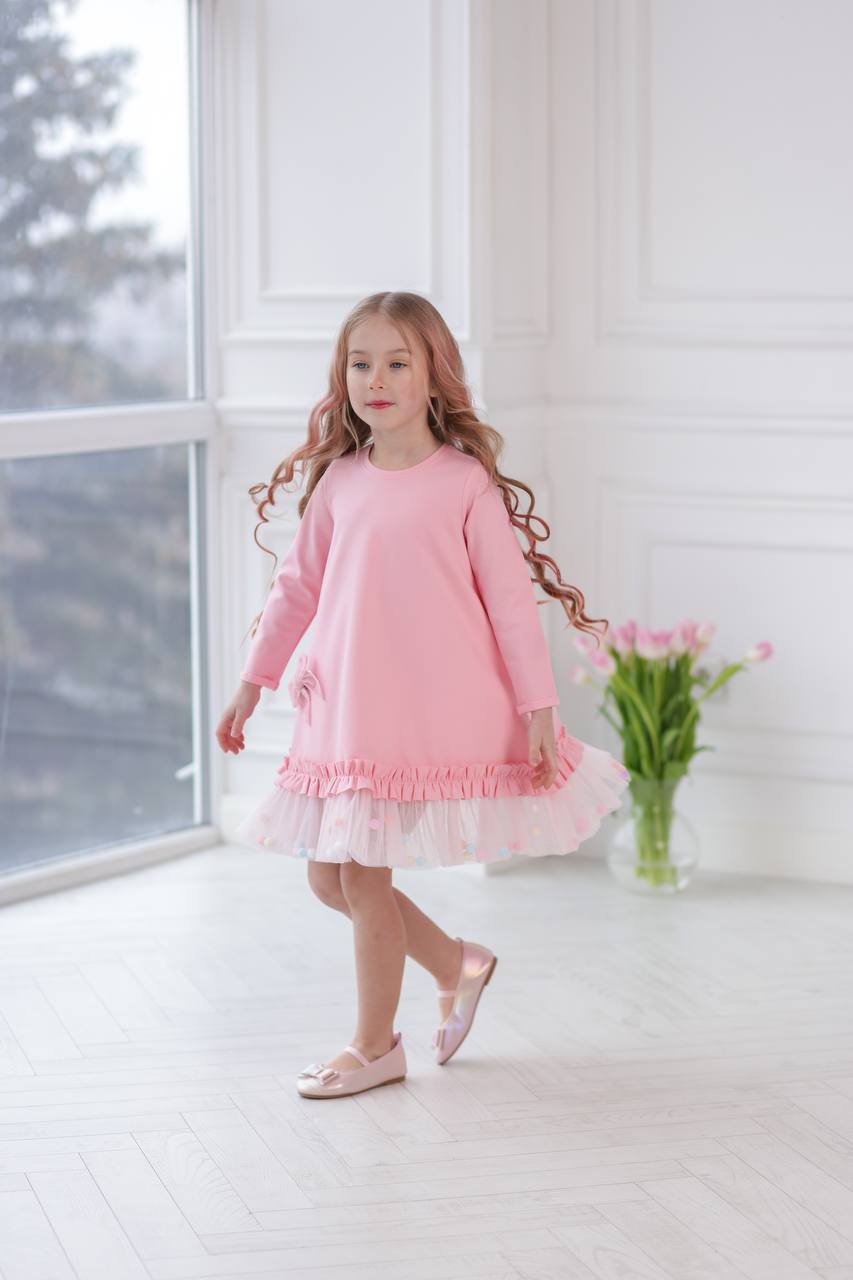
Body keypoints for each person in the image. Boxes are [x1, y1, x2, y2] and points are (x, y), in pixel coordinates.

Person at [216, 291, 630, 1100]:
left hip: (419, 712)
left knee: (362, 880)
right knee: (328, 880)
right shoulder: (339, 481)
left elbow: (510, 606)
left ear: (434, 375)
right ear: (342, 377)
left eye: (396, 363)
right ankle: (455, 964)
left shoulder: (463, 484)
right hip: (345, 710)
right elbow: (295, 589)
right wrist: (250, 683)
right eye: (360, 363)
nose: (376, 379)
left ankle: (374, 1047)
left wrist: (538, 708)